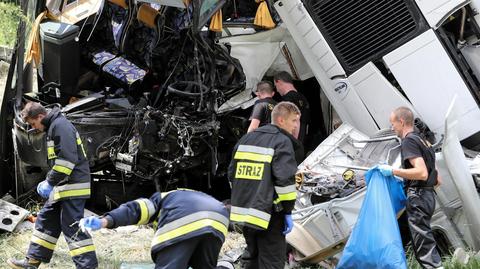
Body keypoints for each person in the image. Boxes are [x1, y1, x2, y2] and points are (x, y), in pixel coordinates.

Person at [8, 102, 97, 269]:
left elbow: (66, 161)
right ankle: (32, 261)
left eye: (33, 124)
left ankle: (87, 266)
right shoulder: (54, 126)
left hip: (73, 186)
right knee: (46, 220)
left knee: (73, 228)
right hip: (63, 187)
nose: (34, 128)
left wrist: (49, 181)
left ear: (40, 116)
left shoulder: (60, 126)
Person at [78, 189, 230, 269]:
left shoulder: (160, 199)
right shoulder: (188, 195)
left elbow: (136, 210)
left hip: (185, 216)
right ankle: (226, 266)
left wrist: (105, 220)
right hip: (219, 219)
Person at [229, 101, 300, 269]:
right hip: (269, 215)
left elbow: (231, 174)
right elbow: (285, 183)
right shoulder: (282, 142)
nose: (296, 126)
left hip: (244, 213)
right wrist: (288, 211)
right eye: (294, 121)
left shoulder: (246, 139)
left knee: (252, 258)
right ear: (281, 120)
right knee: (271, 261)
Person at [378, 107, 443, 269]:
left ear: (401, 122)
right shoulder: (423, 141)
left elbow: (421, 172)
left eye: (392, 124)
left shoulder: (408, 141)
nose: (392, 128)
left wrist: (392, 171)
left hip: (418, 197)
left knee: (425, 249)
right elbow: (437, 178)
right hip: (428, 196)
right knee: (421, 242)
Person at [273, 71, 310, 144]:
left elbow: (294, 121)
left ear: (279, 82)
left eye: (276, 86)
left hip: (295, 142)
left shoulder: (288, 99)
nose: (277, 90)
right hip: (304, 140)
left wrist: (293, 142)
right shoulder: (302, 97)